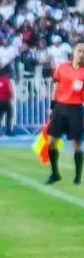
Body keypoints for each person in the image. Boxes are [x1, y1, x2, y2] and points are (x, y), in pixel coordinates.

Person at [45, 41, 84, 185]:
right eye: (79, 50)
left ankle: (77, 177)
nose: (82, 54)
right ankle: (55, 173)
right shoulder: (62, 67)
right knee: (50, 143)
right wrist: (51, 107)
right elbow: (56, 88)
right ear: (73, 52)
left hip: (76, 109)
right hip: (60, 108)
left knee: (76, 144)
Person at [0, 67, 13, 136]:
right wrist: (10, 96)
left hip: (0, 100)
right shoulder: (6, 80)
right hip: (6, 100)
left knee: (0, 115)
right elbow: (8, 90)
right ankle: (8, 131)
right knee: (9, 115)